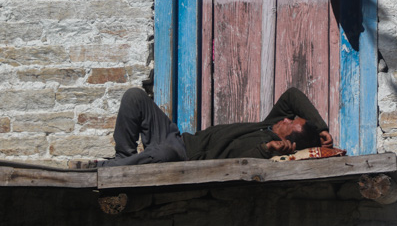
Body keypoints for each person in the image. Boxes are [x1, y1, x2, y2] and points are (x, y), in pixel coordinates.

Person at [92, 86, 333, 168]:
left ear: (290, 139)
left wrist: (268, 150)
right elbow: (292, 96)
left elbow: (243, 162)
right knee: (135, 97)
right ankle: (123, 159)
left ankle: (106, 168)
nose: (288, 118)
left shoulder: (269, 150)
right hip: (176, 137)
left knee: (161, 155)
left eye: (292, 123)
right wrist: (321, 127)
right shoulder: (270, 123)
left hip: (183, 157)